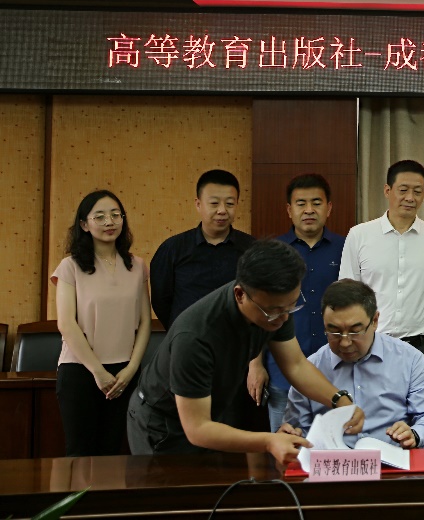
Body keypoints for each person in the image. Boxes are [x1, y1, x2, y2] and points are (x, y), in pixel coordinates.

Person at [127, 240, 361, 464]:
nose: (283, 318)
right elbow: (197, 429)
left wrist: (339, 400)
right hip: (164, 424)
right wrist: (269, 441)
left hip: (210, 411)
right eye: (274, 311)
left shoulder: (275, 305)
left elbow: (295, 365)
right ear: (240, 294)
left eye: (291, 307)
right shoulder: (195, 336)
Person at [338, 160, 424, 398]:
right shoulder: (359, 235)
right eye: (403, 190)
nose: (410, 197)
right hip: (370, 347)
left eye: (417, 191)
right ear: (387, 190)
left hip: (422, 350)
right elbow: (346, 301)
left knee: (419, 418)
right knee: (370, 417)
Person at [281, 279, 424, 448]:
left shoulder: (409, 359)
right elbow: (297, 428)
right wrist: (292, 435)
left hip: (390, 459)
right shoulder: (310, 369)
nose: (345, 343)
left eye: (355, 331)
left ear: (375, 321)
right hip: (333, 461)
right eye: (334, 332)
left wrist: (415, 434)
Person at [52, 190, 152, 456]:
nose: (110, 222)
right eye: (100, 216)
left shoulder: (137, 266)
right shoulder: (70, 266)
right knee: (80, 454)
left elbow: (145, 322)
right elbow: (66, 324)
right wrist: (98, 372)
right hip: (81, 370)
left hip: (124, 373)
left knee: (112, 454)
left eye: (116, 215)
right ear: (84, 225)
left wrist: (132, 369)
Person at [247, 173, 345, 432]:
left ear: (329, 208)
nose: (309, 210)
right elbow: (256, 312)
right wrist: (255, 364)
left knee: (334, 446)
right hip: (282, 372)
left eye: (316, 202)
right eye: (301, 203)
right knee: (285, 448)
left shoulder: (347, 248)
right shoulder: (271, 252)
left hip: (335, 372)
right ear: (289, 210)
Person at [150, 169, 256, 329]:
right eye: (214, 203)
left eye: (229, 203)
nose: (222, 210)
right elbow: (161, 300)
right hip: (187, 338)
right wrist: (180, 330)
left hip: (237, 338)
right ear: (198, 204)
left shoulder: (252, 249)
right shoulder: (172, 249)